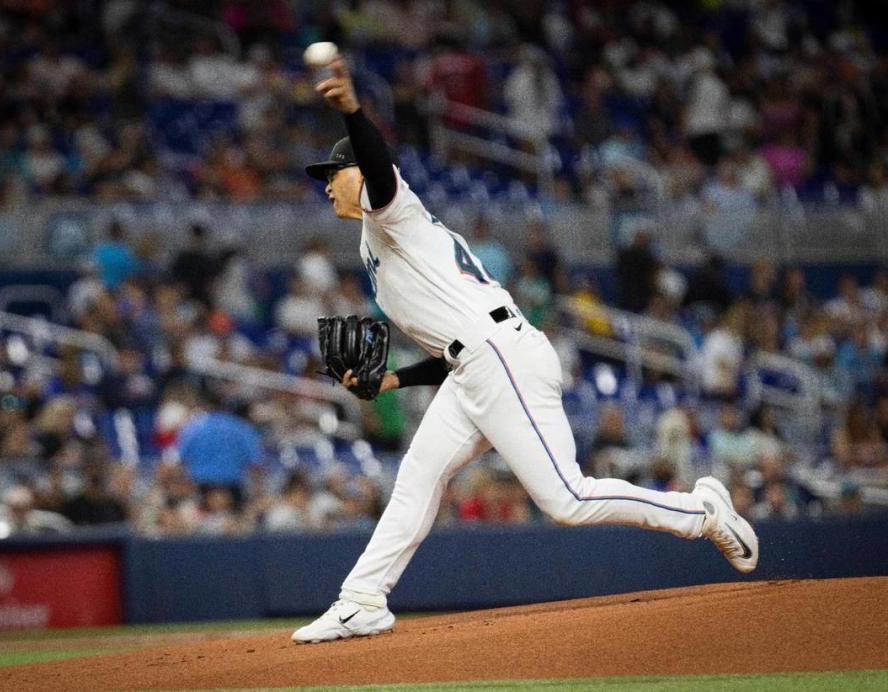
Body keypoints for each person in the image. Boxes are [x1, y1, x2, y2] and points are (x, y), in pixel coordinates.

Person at [291, 55, 759, 645]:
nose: (327, 183)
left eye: (334, 172)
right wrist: (392, 383)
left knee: (566, 498)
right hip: (477, 361)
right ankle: (361, 600)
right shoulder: (375, 245)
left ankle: (702, 514)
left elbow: (380, 171)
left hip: (501, 356)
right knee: (418, 475)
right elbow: (451, 345)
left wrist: (355, 112)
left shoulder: (391, 212)